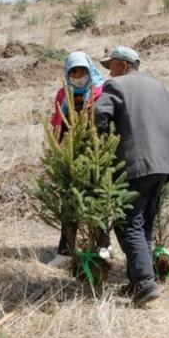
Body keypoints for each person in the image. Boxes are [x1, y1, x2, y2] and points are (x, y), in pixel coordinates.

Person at [95, 46, 169, 305]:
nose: (108, 71)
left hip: (136, 163)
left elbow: (100, 115)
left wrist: (99, 145)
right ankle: (138, 282)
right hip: (166, 164)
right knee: (143, 223)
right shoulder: (162, 88)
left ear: (123, 66)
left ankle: (145, 283)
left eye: (110, 65)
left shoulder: (117, 86)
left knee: (128, 224)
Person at [47, 51, 108, 268]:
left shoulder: (101, 91)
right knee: (69, 203)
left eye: (82, 70)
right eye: (73, 71)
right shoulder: (64, 95)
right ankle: (65, 251)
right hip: (70, 155)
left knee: (98, 200)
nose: (78, 75)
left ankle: (103, 246)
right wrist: (57, 151)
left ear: (89, 69)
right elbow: (58, 123)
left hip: (97, 154)